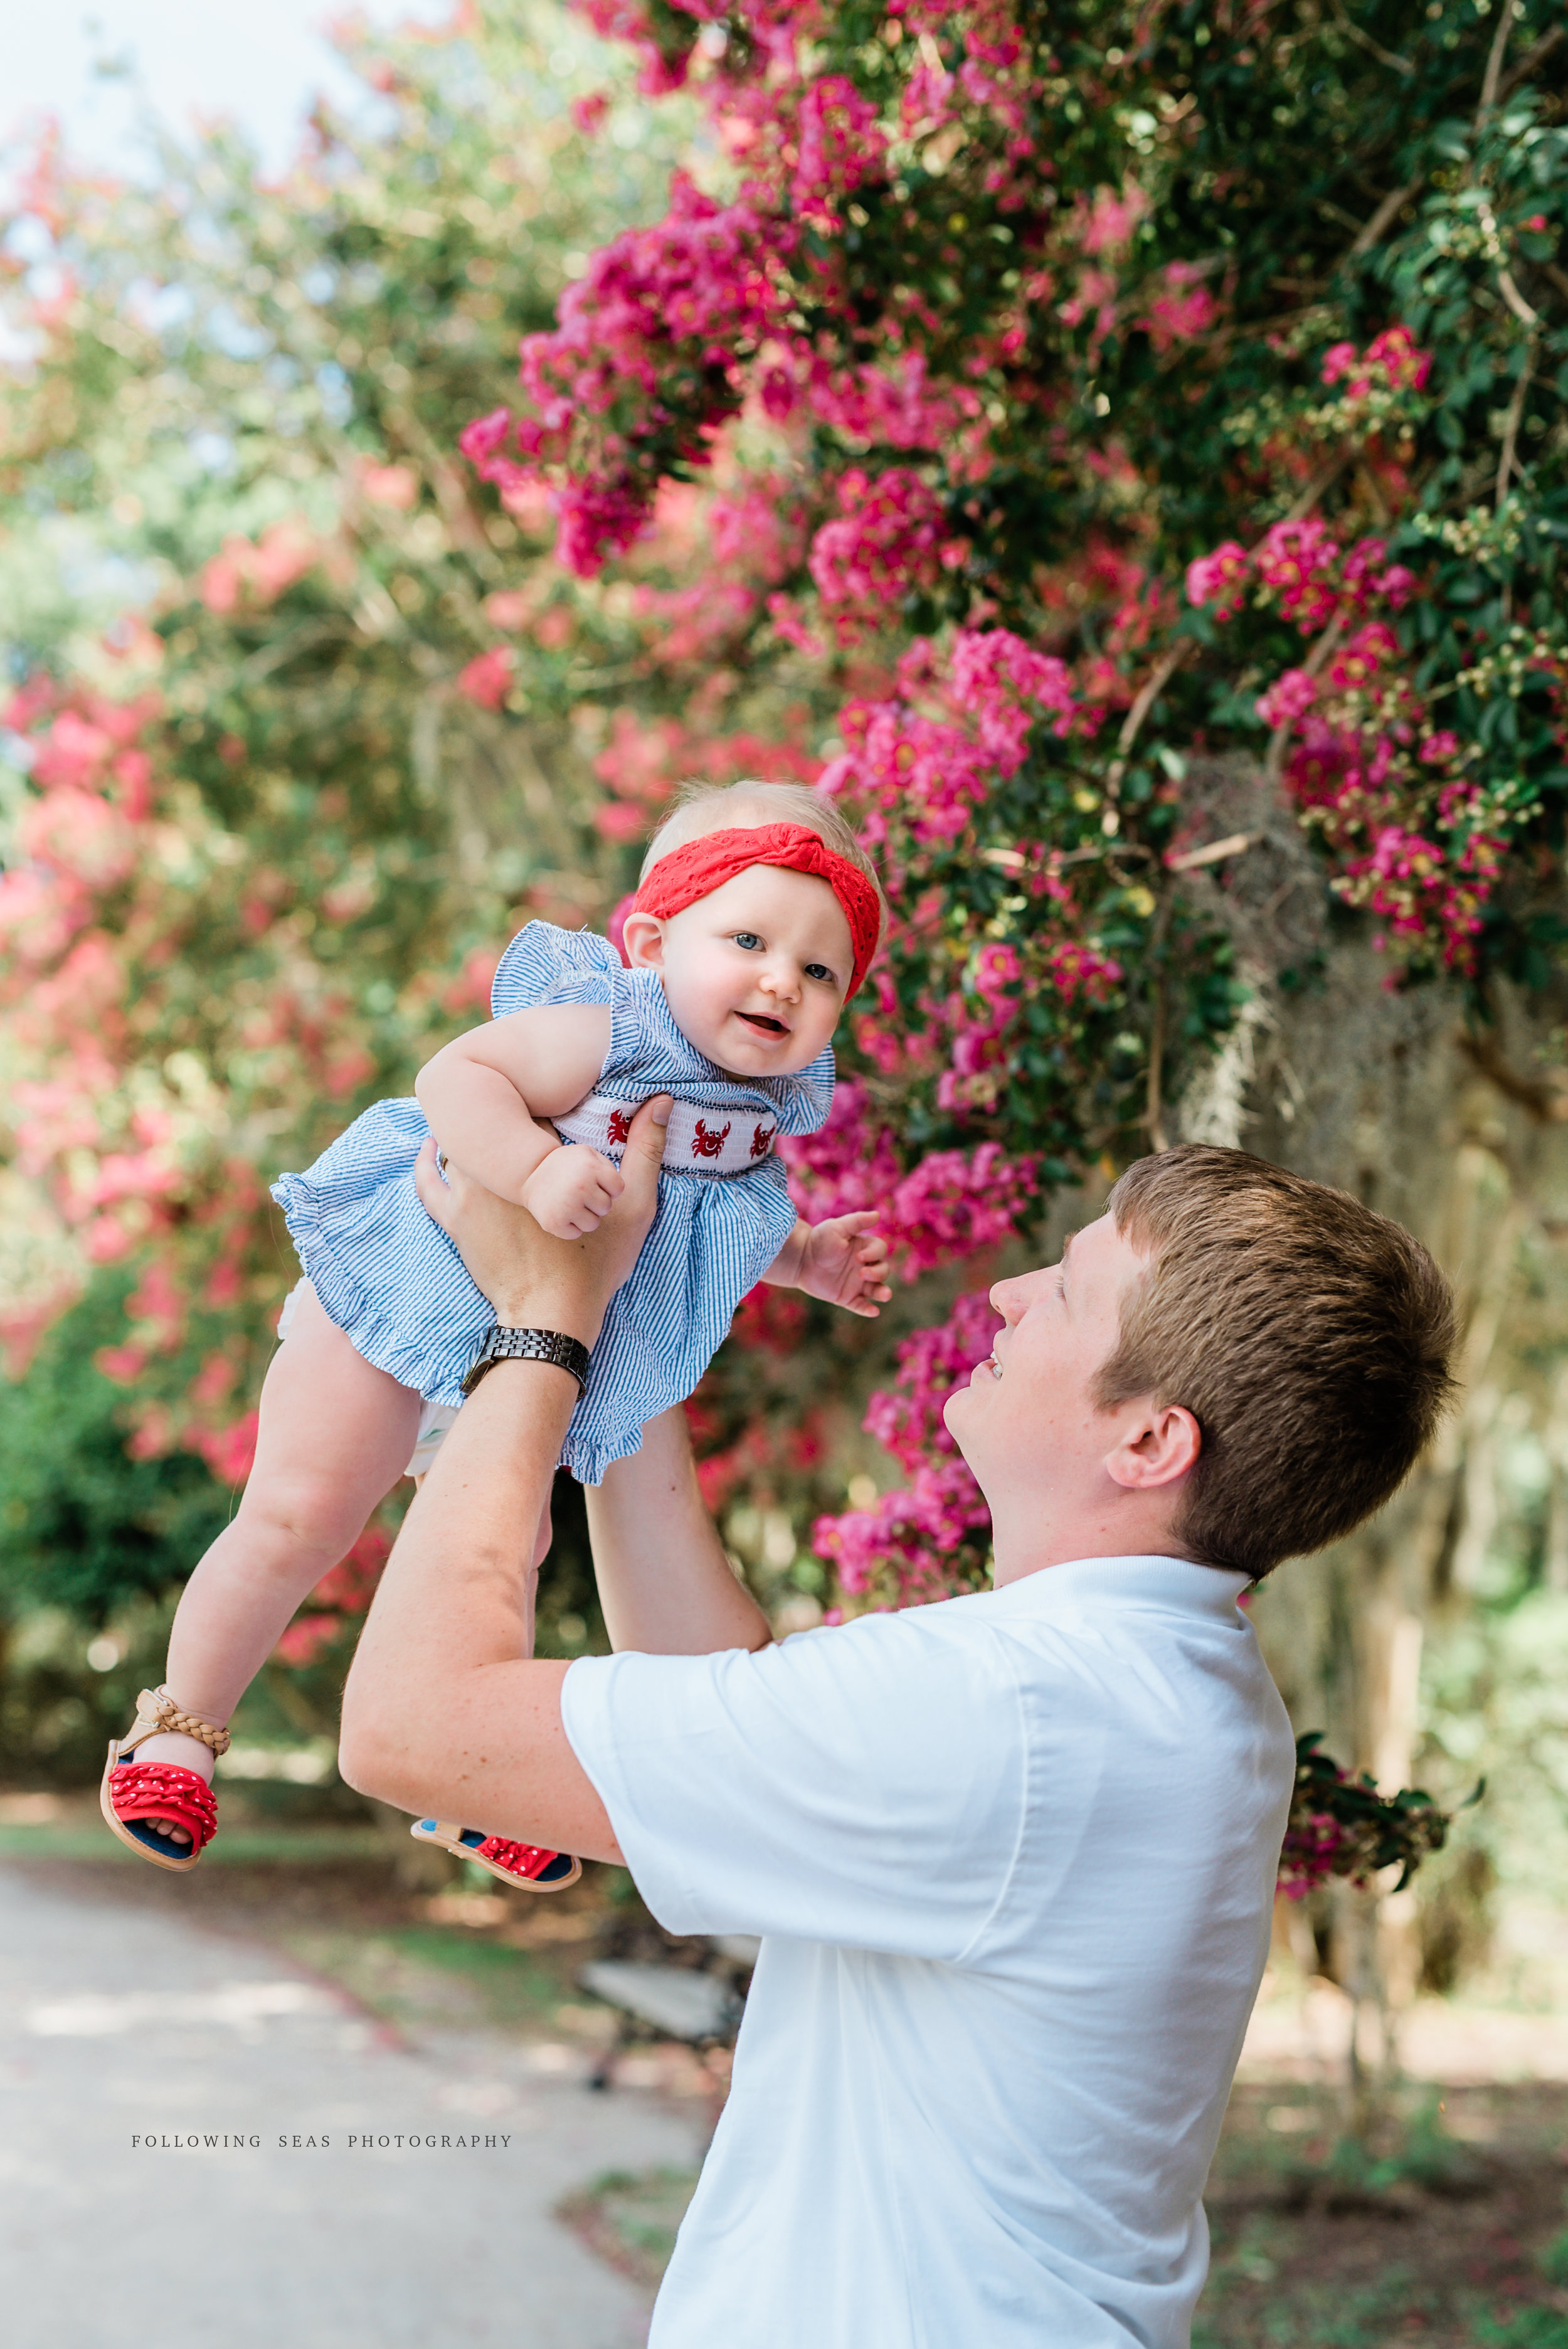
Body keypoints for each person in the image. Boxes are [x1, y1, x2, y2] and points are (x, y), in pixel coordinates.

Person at [336, 1117, 1456, 2349]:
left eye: (1069, 1290)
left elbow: (409, 1723)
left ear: (1147, 1440)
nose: (1007, 1293)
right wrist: (631, 1316)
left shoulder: (1018, 1712)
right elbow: (726, 1702)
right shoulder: (1148, 1683)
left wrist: (538, 1325)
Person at [98, 782, 891, 1884]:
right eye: (749, 938)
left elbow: (724, 1213)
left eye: (821, 971)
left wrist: (809, 1260)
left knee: (502, 1559)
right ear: (654, 941)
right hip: (406, 1294)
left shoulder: (758, 1110)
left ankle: (468, 1778)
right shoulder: (612, 1024)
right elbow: (454, 1075)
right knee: (300, 1513)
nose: (781, 981)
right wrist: (534, 1165)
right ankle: (179, 1724)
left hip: (516, 1364)